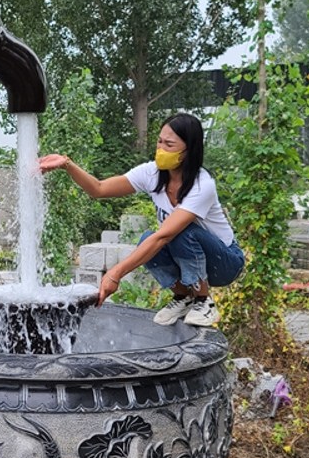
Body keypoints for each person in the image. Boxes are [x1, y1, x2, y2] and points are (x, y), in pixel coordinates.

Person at [39, 112, 244, 327]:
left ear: (188, 150)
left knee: (175, 232)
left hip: (225, 262)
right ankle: (183, 297)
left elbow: (164, 236)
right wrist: (67, 164)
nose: (161, 149)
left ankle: (204, 301)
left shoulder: (202, 185)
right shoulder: (152, 174)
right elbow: (99, 189)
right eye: (159, 141)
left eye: (169, 145)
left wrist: (115, 273)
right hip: (193, 256)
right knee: (148, 238)